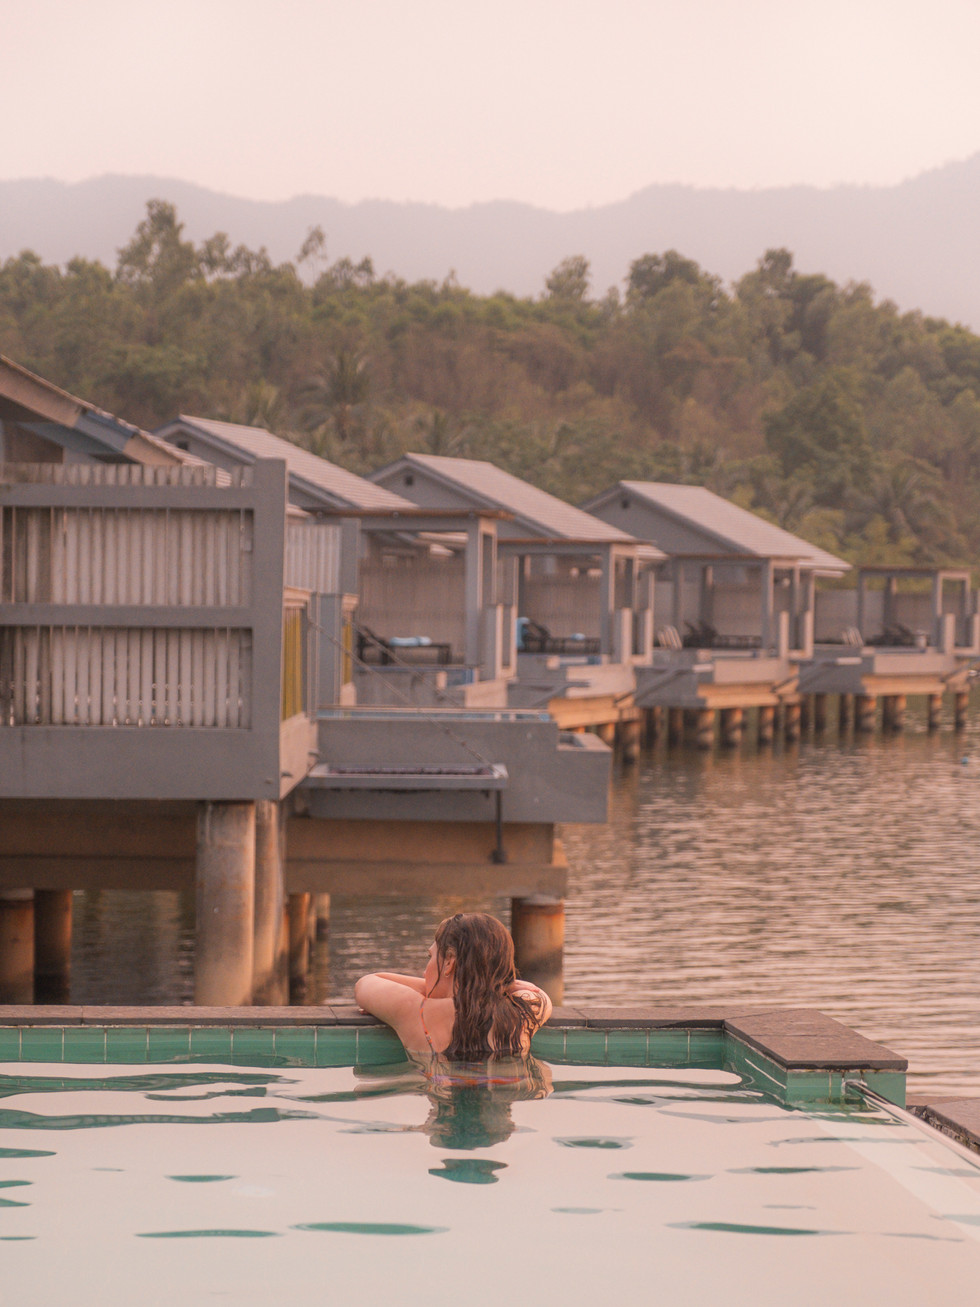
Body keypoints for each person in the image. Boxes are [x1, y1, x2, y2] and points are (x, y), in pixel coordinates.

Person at [354, 912, 553, 1062]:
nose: (425, 972)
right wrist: (496, 984)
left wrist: (425, 989)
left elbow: (366, 982)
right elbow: (541, 995)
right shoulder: (525, 1012)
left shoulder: (417, 1012)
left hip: (446, 1100)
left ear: (449, 961)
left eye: (431, 957)